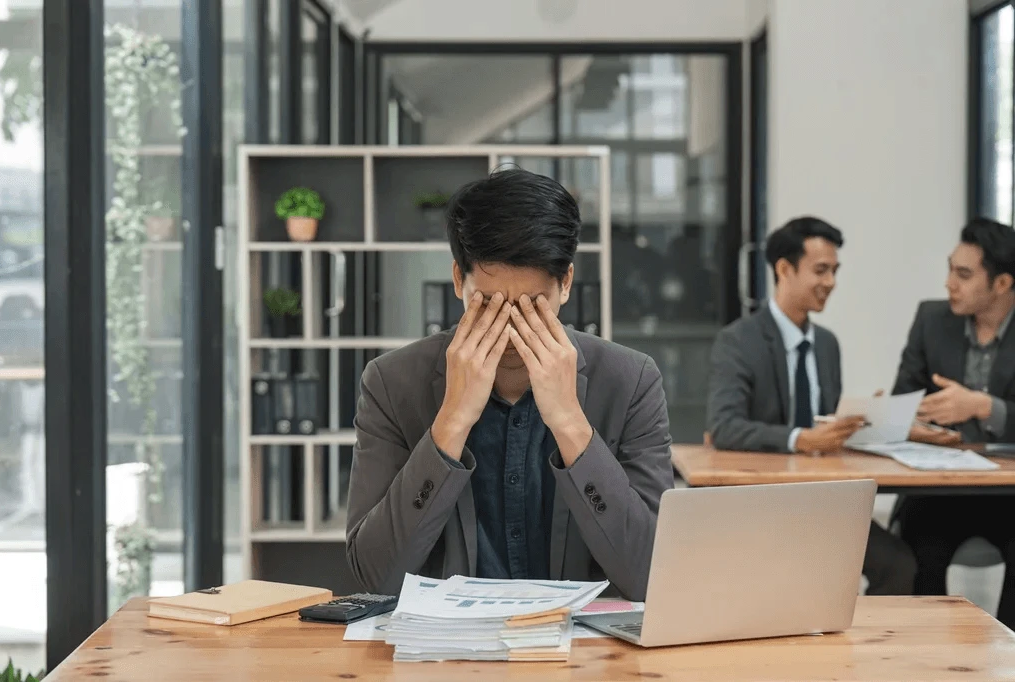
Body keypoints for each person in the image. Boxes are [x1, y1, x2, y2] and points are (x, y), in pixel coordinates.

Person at [345, 168, 674, 601]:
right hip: (445, 655)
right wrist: (452, 422)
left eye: (534, 306)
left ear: (566, 284)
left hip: (587, 658)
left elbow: (654, 575)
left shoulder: (631, 381)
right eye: (490, 305)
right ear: (459, 281)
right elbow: (372, 577)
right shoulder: (392, 383)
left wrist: (571, 425)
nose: (512, 329)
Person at [706, 216, 917, 595]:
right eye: (821, 270)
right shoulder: (738, 341)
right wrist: (802, 439)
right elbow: (724, 426)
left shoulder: (827, 345)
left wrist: (862, 420)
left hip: (825, 500)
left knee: (901, 565)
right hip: (764, 504)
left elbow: (824, 422)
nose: (831, 282)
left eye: (835, 271)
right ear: (784, 269)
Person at [892, 217, 1015, 627]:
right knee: (918, 555)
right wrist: (917, 423)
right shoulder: (931, 319)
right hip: (940, 490)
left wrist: (983, 407)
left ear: (1001, 284)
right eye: (950, 269)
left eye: (963, 274)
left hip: (1009, 493)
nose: (949, 284)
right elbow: (902, 400)